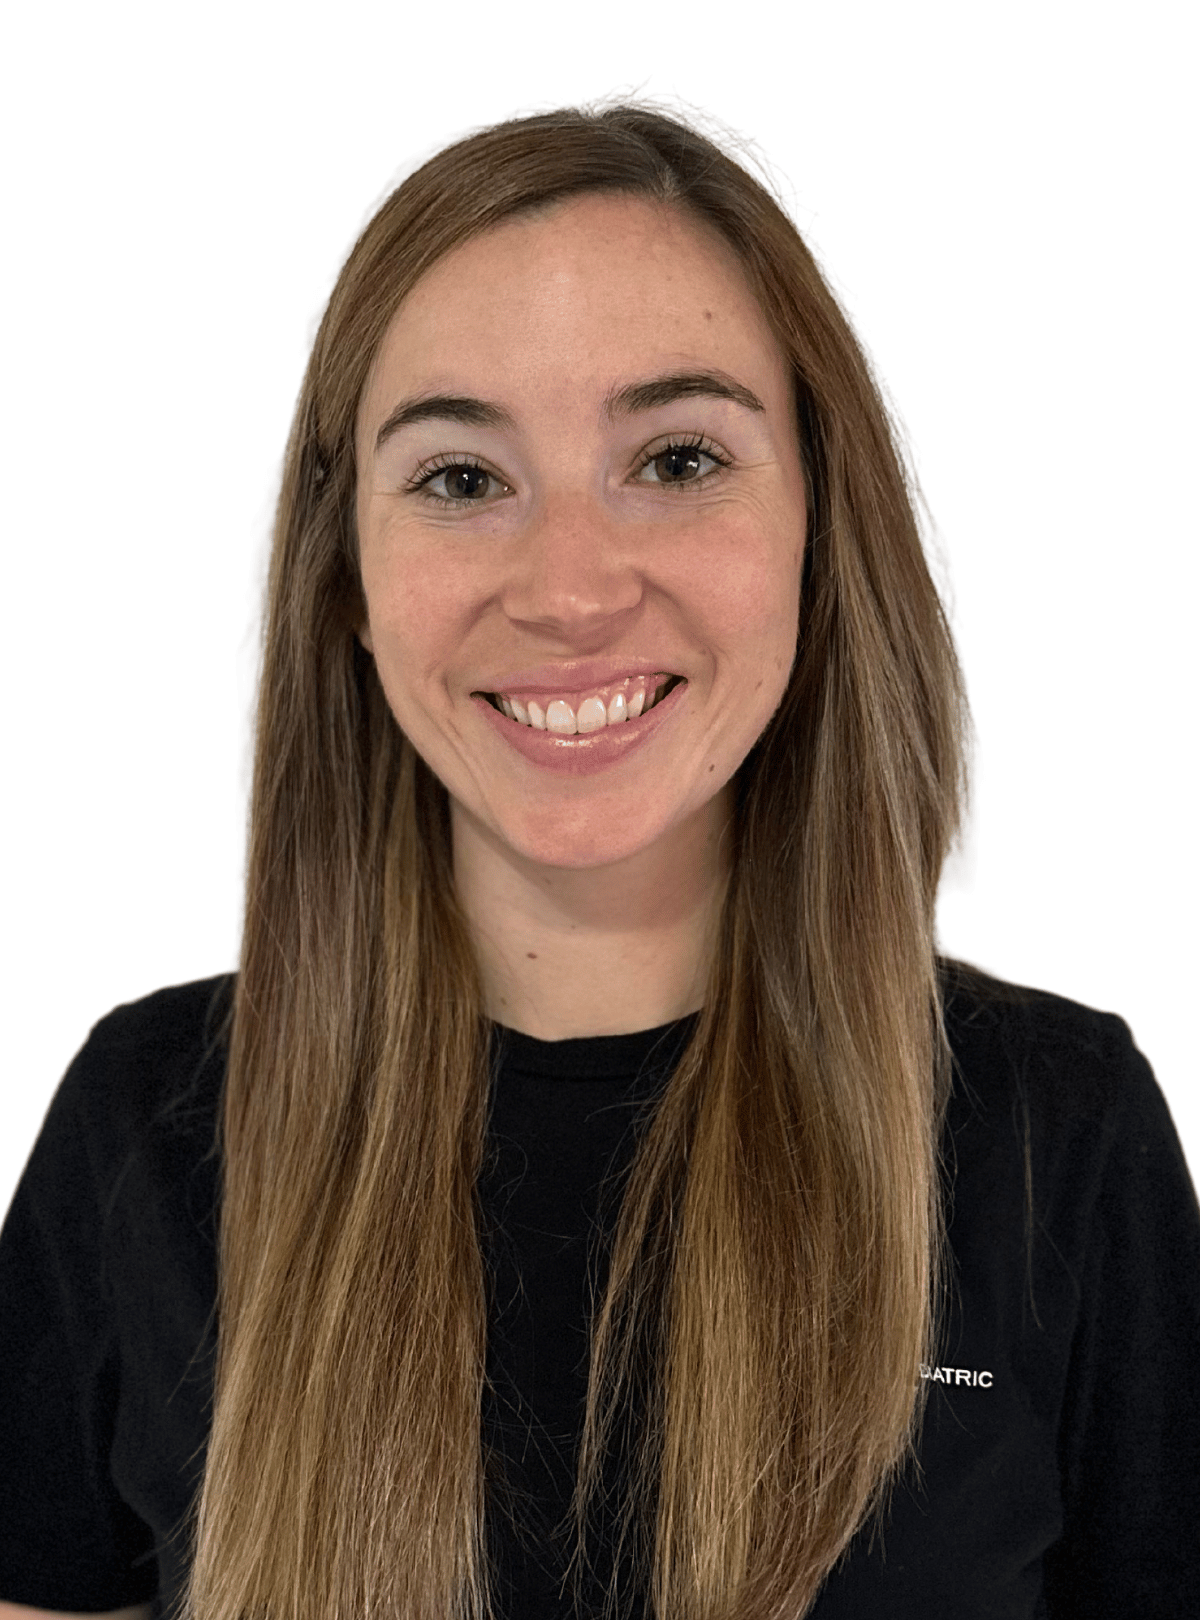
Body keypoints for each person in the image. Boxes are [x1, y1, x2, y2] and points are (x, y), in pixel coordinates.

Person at [1, 100, 1197, 1620]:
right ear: (349, 581)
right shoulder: (148, 1129)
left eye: (678, 457)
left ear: (821, 527)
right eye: (458, 479)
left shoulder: (1060, 1140)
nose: (570, 587)